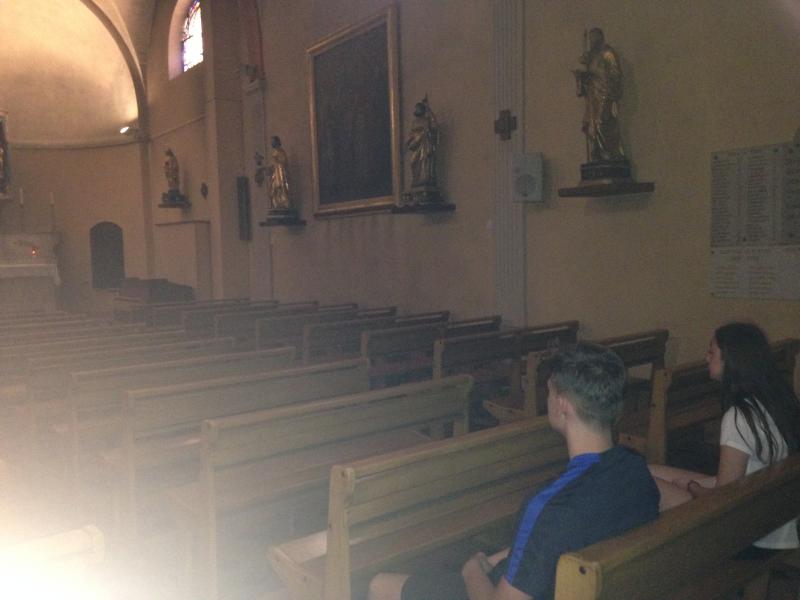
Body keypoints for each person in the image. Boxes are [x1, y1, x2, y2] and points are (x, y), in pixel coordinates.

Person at [368, 343, 660, 600]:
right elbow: (560, 540)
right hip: (578, 586)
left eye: (549, 392)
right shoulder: (634, 469)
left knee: (381, 585)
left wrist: (472, 571)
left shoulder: (550, 506)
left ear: (562, 405)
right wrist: (499, 558)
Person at [650, 323, 800, 554]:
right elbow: (735, 480)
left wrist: (690, 486)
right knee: (649, 471)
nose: (706, 357)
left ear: (731, 360)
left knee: (654, 488)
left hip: (750, 537)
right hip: (775, 516)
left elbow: (724, 499)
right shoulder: (777, 400)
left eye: (711, 352)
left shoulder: (740, 416)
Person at [573, 28, 625, 163]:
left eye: (594, 38)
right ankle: (597, 154)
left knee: (602, 122)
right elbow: (590, 77)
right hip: (593, 95)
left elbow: (615, 73)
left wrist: (610, 91)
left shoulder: (608, 53)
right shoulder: (591, 57)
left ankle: (608, 154)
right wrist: (583, 76)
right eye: (590, 39)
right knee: (591, 124)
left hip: (605, 94)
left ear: (600, 38)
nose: (591, 42)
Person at [407, 97, 438, 189]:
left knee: (424, 160)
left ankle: (425, 178)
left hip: (425, 143)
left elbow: (434, 126)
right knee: (413, 162)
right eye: (416, 109)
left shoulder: (427, 120)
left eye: (419, 108)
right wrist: (408, 142)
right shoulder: (414, 122)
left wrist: (428, 109)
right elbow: (411, 134)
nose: (417, 110)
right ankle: (416, 179)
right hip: (416, 144)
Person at [268, 136, 290, 210]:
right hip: (275, 175)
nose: (271, 143)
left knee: (281, 188)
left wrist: (277, 160)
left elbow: (284, 162)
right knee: (273, 190)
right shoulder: (275, 152)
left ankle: (283, 204)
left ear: (276, 142)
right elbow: (273, 165)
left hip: (280, 175)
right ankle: (276, 204)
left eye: (273, 141)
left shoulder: (281, 152)